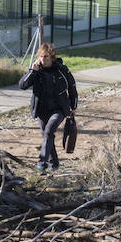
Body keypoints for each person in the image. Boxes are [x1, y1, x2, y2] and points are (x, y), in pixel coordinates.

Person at [18, 42, 77, 172]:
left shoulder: (62, 70)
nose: (42, 60)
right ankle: (54, 164)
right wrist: (33, 71)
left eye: (45, 57)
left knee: (49, 132)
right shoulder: (36, 71)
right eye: (40, 57)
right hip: (41, 110)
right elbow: (22, 85)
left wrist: (73, 106)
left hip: (59, 109)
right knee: (47, 135)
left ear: (52, 57)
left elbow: (72, 88)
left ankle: (41, 162)